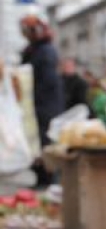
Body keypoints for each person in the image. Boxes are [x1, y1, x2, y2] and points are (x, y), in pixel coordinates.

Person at [19, 15, 64, 186]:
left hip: (44, 111)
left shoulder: (45, 52)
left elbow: (45, 83)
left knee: (44, 150)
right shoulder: (33, 50)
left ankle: (46, 185)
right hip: (36, 109)